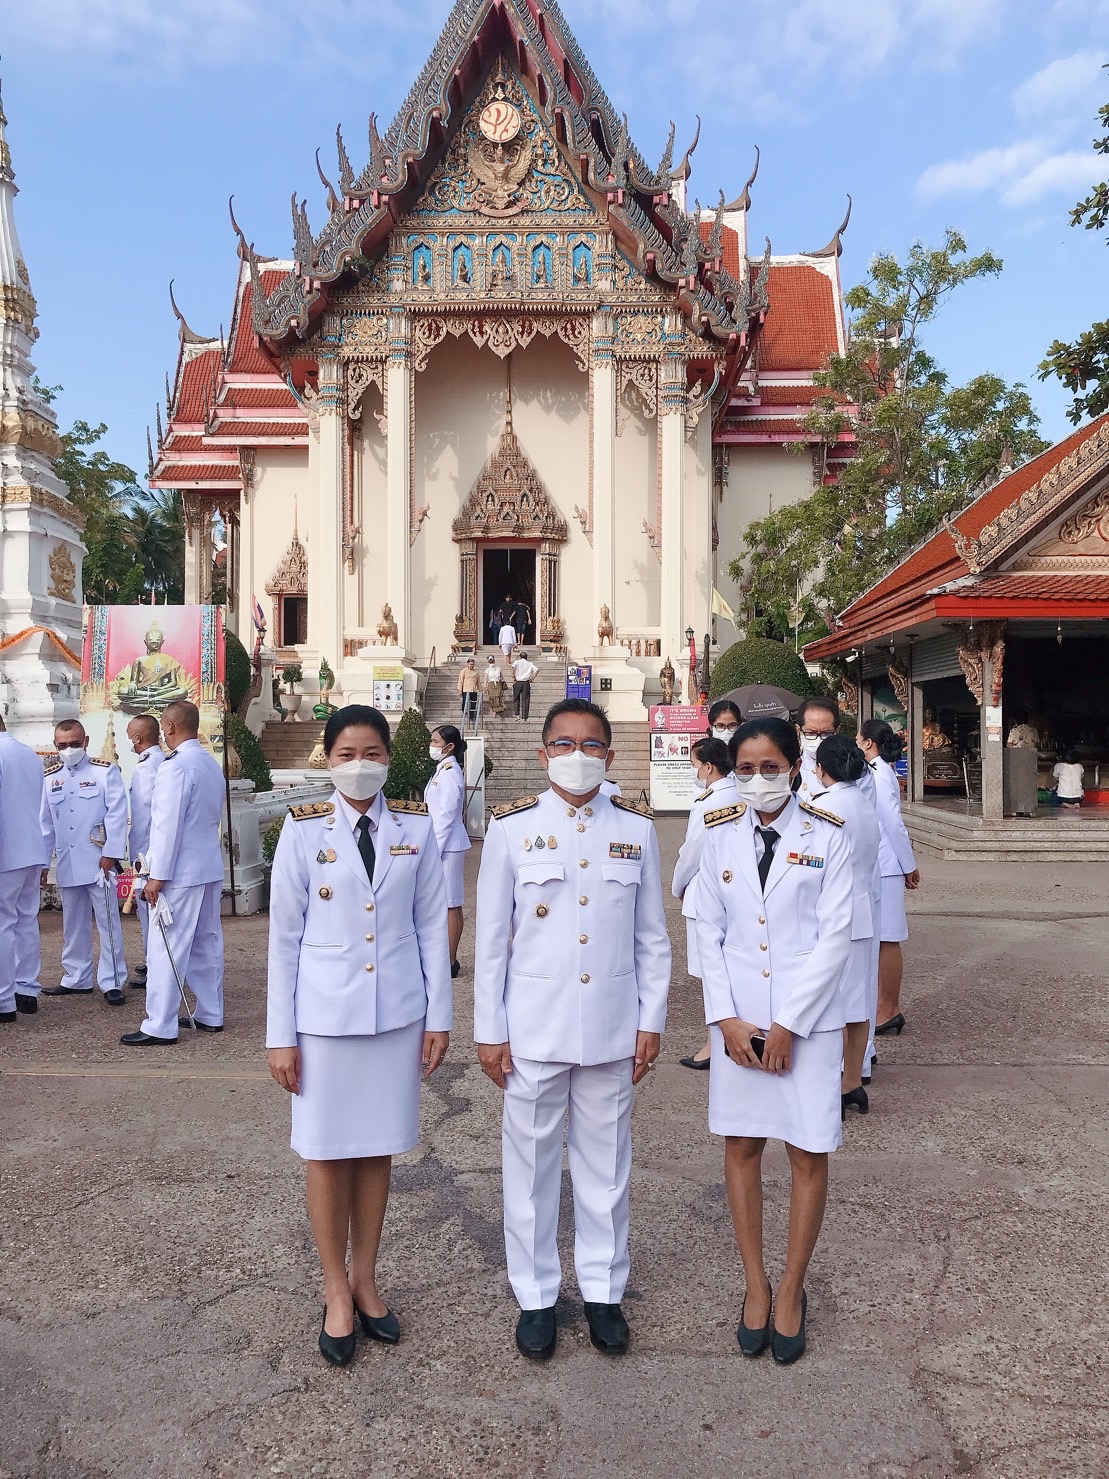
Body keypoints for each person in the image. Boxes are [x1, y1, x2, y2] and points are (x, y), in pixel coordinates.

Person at [474, 699, 670, 1361]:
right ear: (542, 753)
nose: (576, 754)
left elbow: (652, 940)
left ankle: (603, 1290)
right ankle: (534, 1295)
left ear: (610, 756)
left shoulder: (636, 829)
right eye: (563, 743)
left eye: (590, 744)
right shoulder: (511, 828)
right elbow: (493, 942)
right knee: (528, 1169)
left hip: (612, 1029)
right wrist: (488, 1029)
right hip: (531, 1030)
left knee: (606, 1167)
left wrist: (652, 1019)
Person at [267, 704, 451, 1366]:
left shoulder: (415, 829)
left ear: (388, 757)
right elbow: (283, 937)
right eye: (346, 752)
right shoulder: (302, 829)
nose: (360, 763)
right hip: (321, 1022)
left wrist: (439, 1017)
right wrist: (278, 1035)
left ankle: (367, 1275)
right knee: (325, 1152)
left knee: (376, 1151)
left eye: (371, 751)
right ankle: (334, 1288)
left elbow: (433, 925)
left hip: (395, 1015)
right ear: (328, 758)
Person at [696, 717, 853, 1365]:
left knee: (807, 1151)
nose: (757, 779)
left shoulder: (829, 835)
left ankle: (791, 1287)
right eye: (745, 768)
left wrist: (788, 1024)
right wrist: (726, 1020)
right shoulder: (716, 832)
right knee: (741, 1145)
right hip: (736, 1022)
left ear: (794, 765)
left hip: (805, 1025)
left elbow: (835, 936)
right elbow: (705, 928)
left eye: (769, 766)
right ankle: (754, 1284)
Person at [121, 701, 225, 1045]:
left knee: (166, 947)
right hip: (208, 866)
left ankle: (159, 1024)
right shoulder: (210, 763)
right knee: (205, 943)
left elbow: (166, 828)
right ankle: (211, 1012)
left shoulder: (174, 767)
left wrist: (156, 876)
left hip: (179, 873)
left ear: (168, 727)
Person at [812, 735, 881, 1117]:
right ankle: (852, 1080)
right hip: (861, 910)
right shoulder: (861, 801)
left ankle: (832, 1081)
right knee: (856, 1002)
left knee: (830, 1001)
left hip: (832, 913)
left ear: (821, 768)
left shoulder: (824, 806)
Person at [40, 719, 129, 1005]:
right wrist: (43, 863)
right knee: (73, 923)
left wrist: (111, 853)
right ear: (55, 745)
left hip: (98, 860)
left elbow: (117, 813)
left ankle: (113, 980)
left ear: (86, 741)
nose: (69, 749)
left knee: (108, 922)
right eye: (63, 745)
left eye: (74, 744)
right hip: (67, 860)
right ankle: (76, 977)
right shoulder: (50, 778)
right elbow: (45, 826)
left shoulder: (105, 772)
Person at [671, 736, 735, 1071]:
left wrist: (677, 885)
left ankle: (715, 1044)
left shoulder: (707, 801)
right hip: (736, 892)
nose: (694, 772)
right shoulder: (739, 794)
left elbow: (691, 851)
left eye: (695, 766)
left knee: (710, 975)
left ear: (708, 767)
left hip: (704, 894)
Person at [857, 719, 920, 1039]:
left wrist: (908, 865)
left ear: (869, 743)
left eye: (858, 737)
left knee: (887, 938)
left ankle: (889, 1009)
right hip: (878, 864)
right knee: (878, 939)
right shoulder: (874, 771)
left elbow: (893, 823)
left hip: (888, 865)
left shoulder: (879, 774)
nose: (856, 742)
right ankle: (882, 1006)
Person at [0, 714, 49, 1023]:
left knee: (3, 923)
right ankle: (26, 990)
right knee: (26, 920)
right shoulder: (29, 754)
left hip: (6, 851)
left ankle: (4, 1000)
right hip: (32, 848)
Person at [426, 724, 471, 979]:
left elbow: (446, 815)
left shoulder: (451, 772)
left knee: (451, 903)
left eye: (435, 741)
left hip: (448, 845)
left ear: (449, 746)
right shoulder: (442, 770)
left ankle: (451, 960)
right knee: (444, 903)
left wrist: (436, 848)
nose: (431, 745)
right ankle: (445, 956)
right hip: (441, 842)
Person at [124, 714, 165, 989]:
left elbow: (148, 817)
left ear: (139, 739)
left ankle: (155, 966)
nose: (130, 743)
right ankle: (153, 960)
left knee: (149, 910)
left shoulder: (147, 768)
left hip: (148, 853)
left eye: (131, 738)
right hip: (149, 851)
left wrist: (140, 859)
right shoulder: (160, 762)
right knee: (148, 911)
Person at [512, 650, 539, 721]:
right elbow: (537, 670)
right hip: (526, 683)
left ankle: (517, 715)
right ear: (526, 657)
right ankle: (524, 717)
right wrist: (532, 677)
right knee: (526, 700)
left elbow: (512, 667)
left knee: (516, 699)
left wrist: (513, 676)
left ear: (520, 657)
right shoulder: (530, 664)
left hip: (518, 682)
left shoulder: (517, 662)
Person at [456, 657, 481, 727]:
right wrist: (460, 690)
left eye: (473, 664)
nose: (472, 666)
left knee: (473, 703)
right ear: (467, 664)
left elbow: (478, 683)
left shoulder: (476, 673)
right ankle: (464, 712)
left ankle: (471, 716)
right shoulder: (463, 671)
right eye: (470, 664)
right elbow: (460, 681)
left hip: (473, 690)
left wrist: (481, 690)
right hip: (466, 690)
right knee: (465, 702)